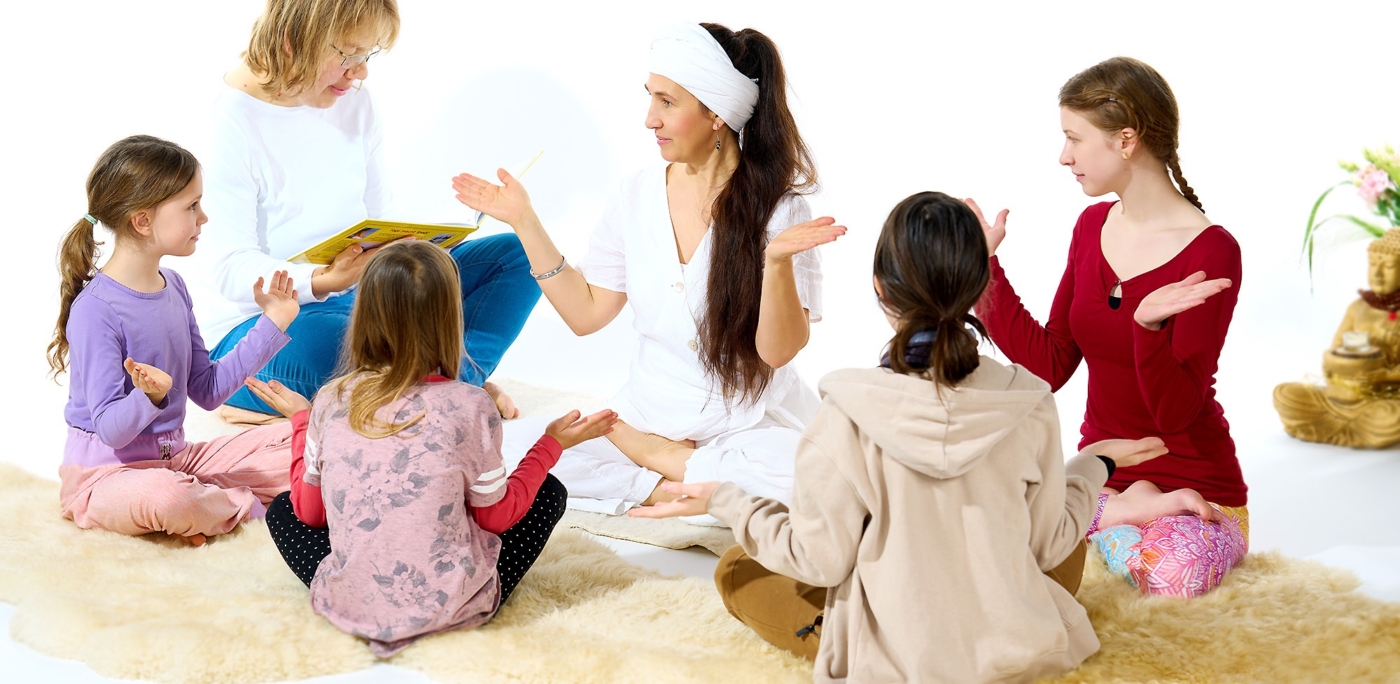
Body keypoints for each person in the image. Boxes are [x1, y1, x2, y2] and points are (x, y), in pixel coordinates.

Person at [631, 192, 1169, 682]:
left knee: (737, 570)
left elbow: (820, 560)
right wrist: (1094, 465)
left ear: (880, 289)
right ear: (979, 289)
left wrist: (729, 501)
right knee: (1062, 542)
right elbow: (1048, 541)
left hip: (897, 657)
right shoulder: (1030, 401)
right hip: (1013, 640)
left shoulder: (846, 412)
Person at [452, 22, 842, 514]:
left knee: (823, 481)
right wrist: (525, 221)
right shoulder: (635, 195)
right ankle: (675, 485)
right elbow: (586, 314)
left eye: (667, 102)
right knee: (501, 453)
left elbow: (778, 352)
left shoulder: (781, 210)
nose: (649, 119)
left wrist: (778, 263)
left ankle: (665, 469)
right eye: (650, 97)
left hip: (743, 425)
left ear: (716, 113)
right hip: (640, 418)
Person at [249, 241, 617, 657]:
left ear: (364, 316)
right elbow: (495, 519)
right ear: (450, 318)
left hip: (350, 604)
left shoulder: (331, 398)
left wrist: (302, 421)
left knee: (282, 509)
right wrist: (551, 444)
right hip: (455, 605)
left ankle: (359, 586)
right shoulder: (472, 405)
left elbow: (309, 514)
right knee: (547, 491)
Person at [967, 56, 1245, 597]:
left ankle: (1106, 527)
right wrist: (984, 272)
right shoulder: (1091, 225)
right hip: (1103, 478)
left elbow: (1177, 410)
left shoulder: (1213, 250)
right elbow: (1050, 363)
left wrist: (1149, 328)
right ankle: (1113, 516)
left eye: (1074, 138)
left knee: (1173, 574)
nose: (1063, 156)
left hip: (1196, 488)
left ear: (1126, 140)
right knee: (977, 525)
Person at [190, 0, 536, 420]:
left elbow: (379, 214)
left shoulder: (355, 102)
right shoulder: (231, 121)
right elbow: (232, 269)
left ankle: (446, 380)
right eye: (348, 55)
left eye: (367, 55)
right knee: (340, 348)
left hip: (366, 295)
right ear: (291, 41)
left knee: (516, 257)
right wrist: (324, 279)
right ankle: (452, 380)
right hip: (267, 322)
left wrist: (415, 251)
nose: (360, 72)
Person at [49, 135, 301, 546]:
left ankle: (212, 507)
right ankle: (249, 508)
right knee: (168, 497)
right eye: (191, 206)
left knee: (300, 440)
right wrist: (148, 397)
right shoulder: (95, 310)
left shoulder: (175, 287)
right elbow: (111, 431)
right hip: (106, 478)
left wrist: (273, 321)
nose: (203, 218)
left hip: (177, 460)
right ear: (143, 221)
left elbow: (208, 390)